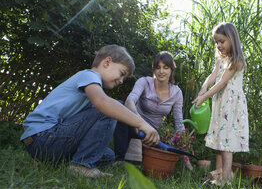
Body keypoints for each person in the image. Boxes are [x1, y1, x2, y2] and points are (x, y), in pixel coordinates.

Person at [20, 45, 159, 178]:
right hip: (43, 137)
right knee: (110, 108)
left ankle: (53, 161)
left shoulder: (92, 87)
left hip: (43, 143)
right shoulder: (89, 75)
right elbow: (103, 103)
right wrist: (141, 124)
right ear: (107, 62)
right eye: (122, 73)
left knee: (107, 155)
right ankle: (81, 166)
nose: (122, 81)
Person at [113, 51, 192, 169]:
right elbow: (129, 101)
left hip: (154, 134)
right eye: (158, 67)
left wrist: (186, 155)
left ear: (171, 70)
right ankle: (120, 157)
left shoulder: (176, 92)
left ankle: (144, 154)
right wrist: (140, 123)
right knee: (122, 109)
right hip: (135, 127)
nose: (161, 71)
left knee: (166, 142)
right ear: (154, 69)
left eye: (165, 67)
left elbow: (178, 121)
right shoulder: (144, 82)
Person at [192, 22, 249, 185]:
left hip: (231, 106)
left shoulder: (236, 60)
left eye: (222, 41)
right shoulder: (221, 58)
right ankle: (219, 174)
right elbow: (213, 76)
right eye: (216, 42)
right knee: (218, 140)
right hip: (221, 104)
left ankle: (226, 178)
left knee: (226, 142)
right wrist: (203, 88)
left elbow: (222, 83)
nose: (218, 45)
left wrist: (205, 97)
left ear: (232, 39)